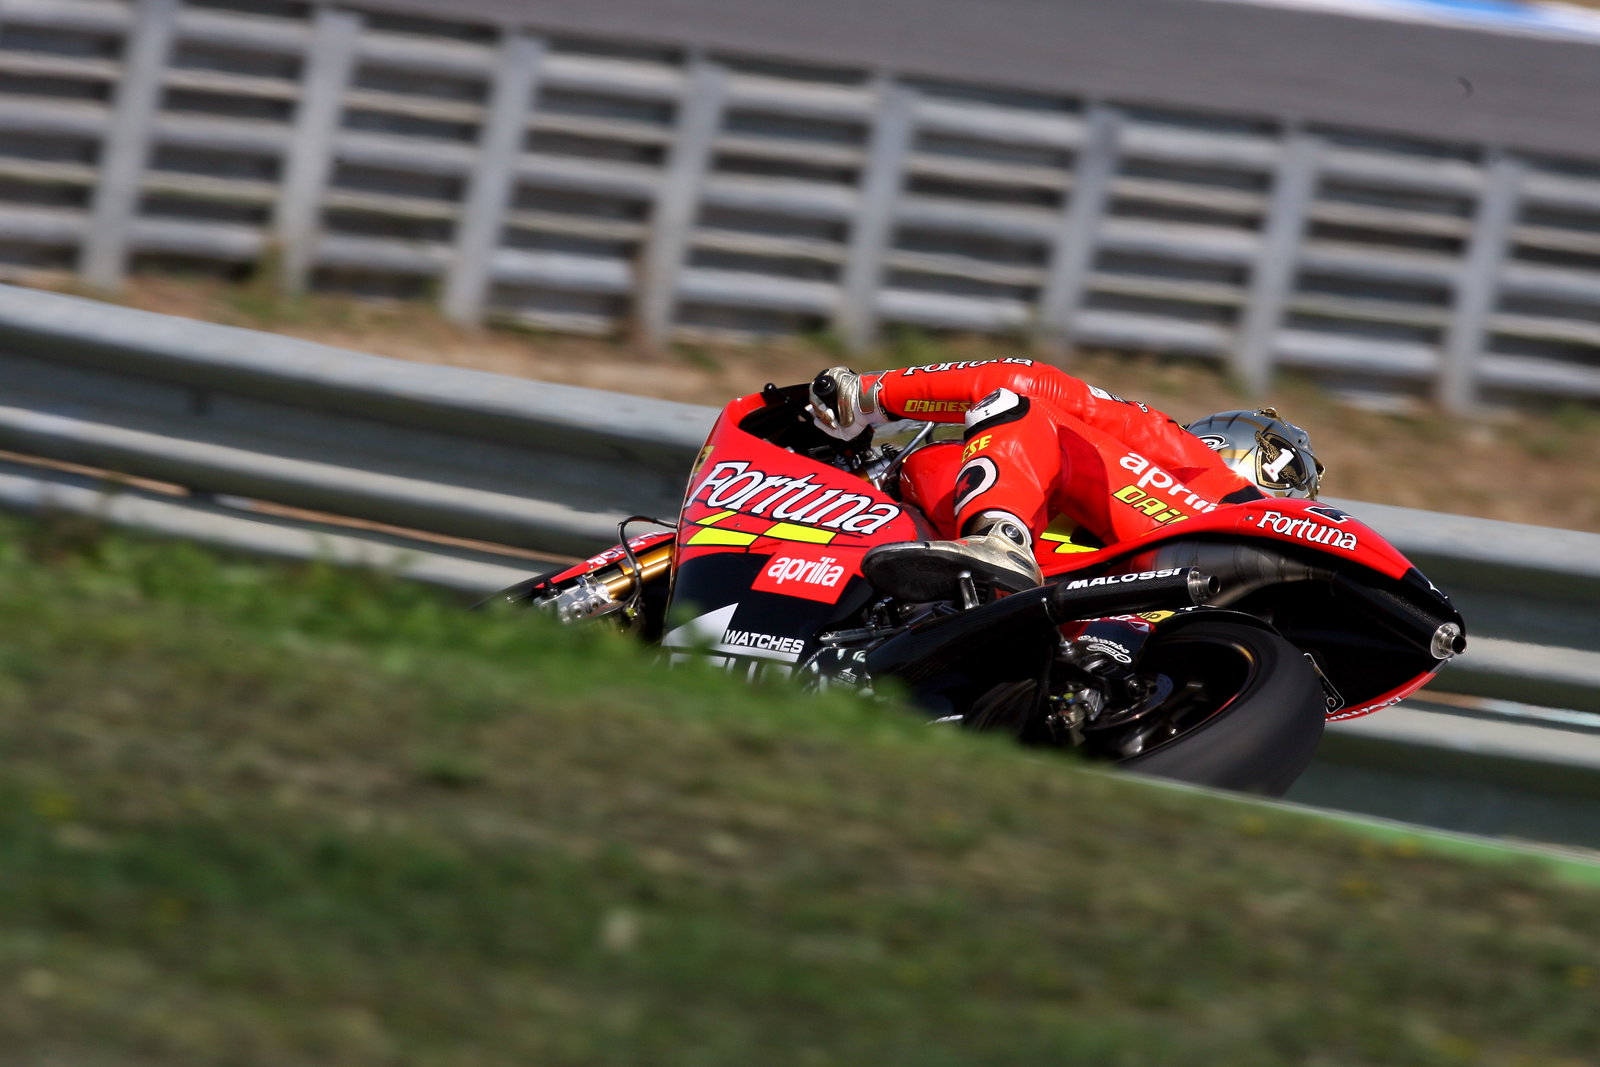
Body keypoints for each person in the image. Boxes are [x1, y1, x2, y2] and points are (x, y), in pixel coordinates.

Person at [806, 359, 1323, 600]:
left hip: (1193, 543)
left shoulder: (1187, 459)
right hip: (1144, 626)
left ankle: (1001, 541)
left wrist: (869, 396)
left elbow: (1032, 383)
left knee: (1018, 407)